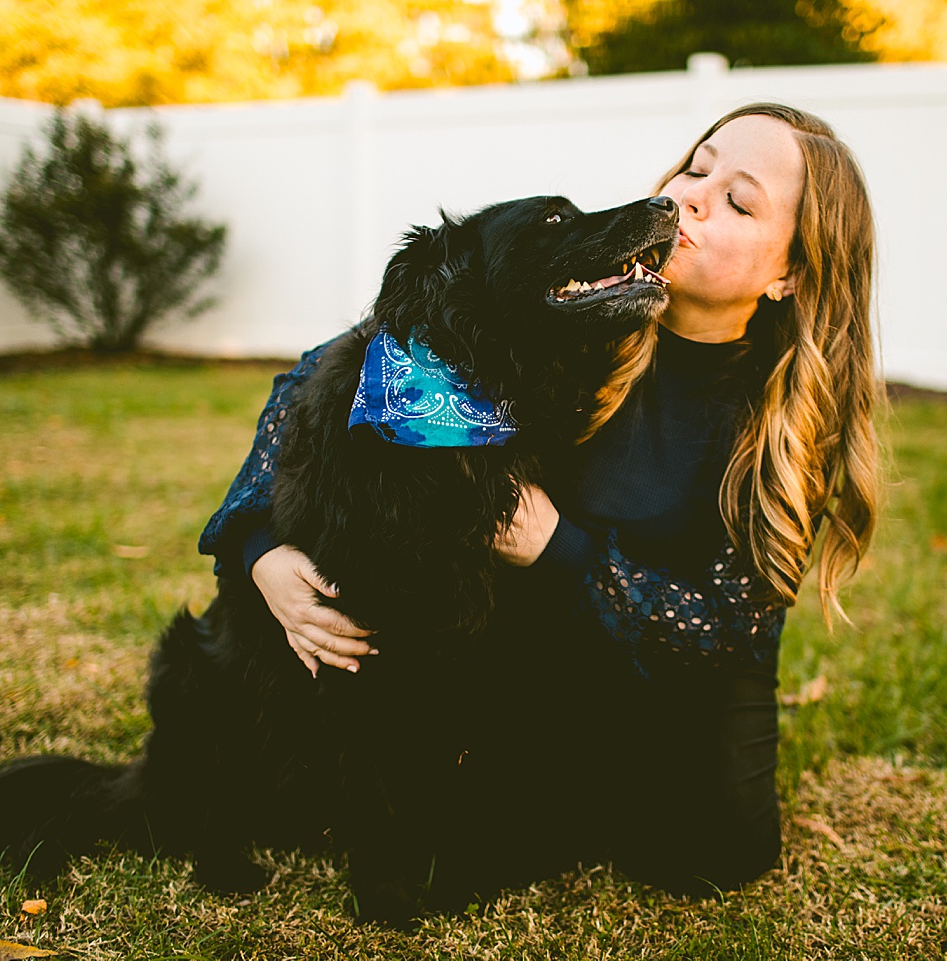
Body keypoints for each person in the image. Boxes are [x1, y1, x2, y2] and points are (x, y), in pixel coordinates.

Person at [197, 102, 881, 902]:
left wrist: (556, 543)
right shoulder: (581, 303)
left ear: (789, 272)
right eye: (696, 167)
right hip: (540, 653)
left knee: (711, 852)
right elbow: (331, 371)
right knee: (430, 858)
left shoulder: (785, 419)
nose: (693, 196)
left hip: (685, 671)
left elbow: (724, 627)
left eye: (739, 201)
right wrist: (258, 550)